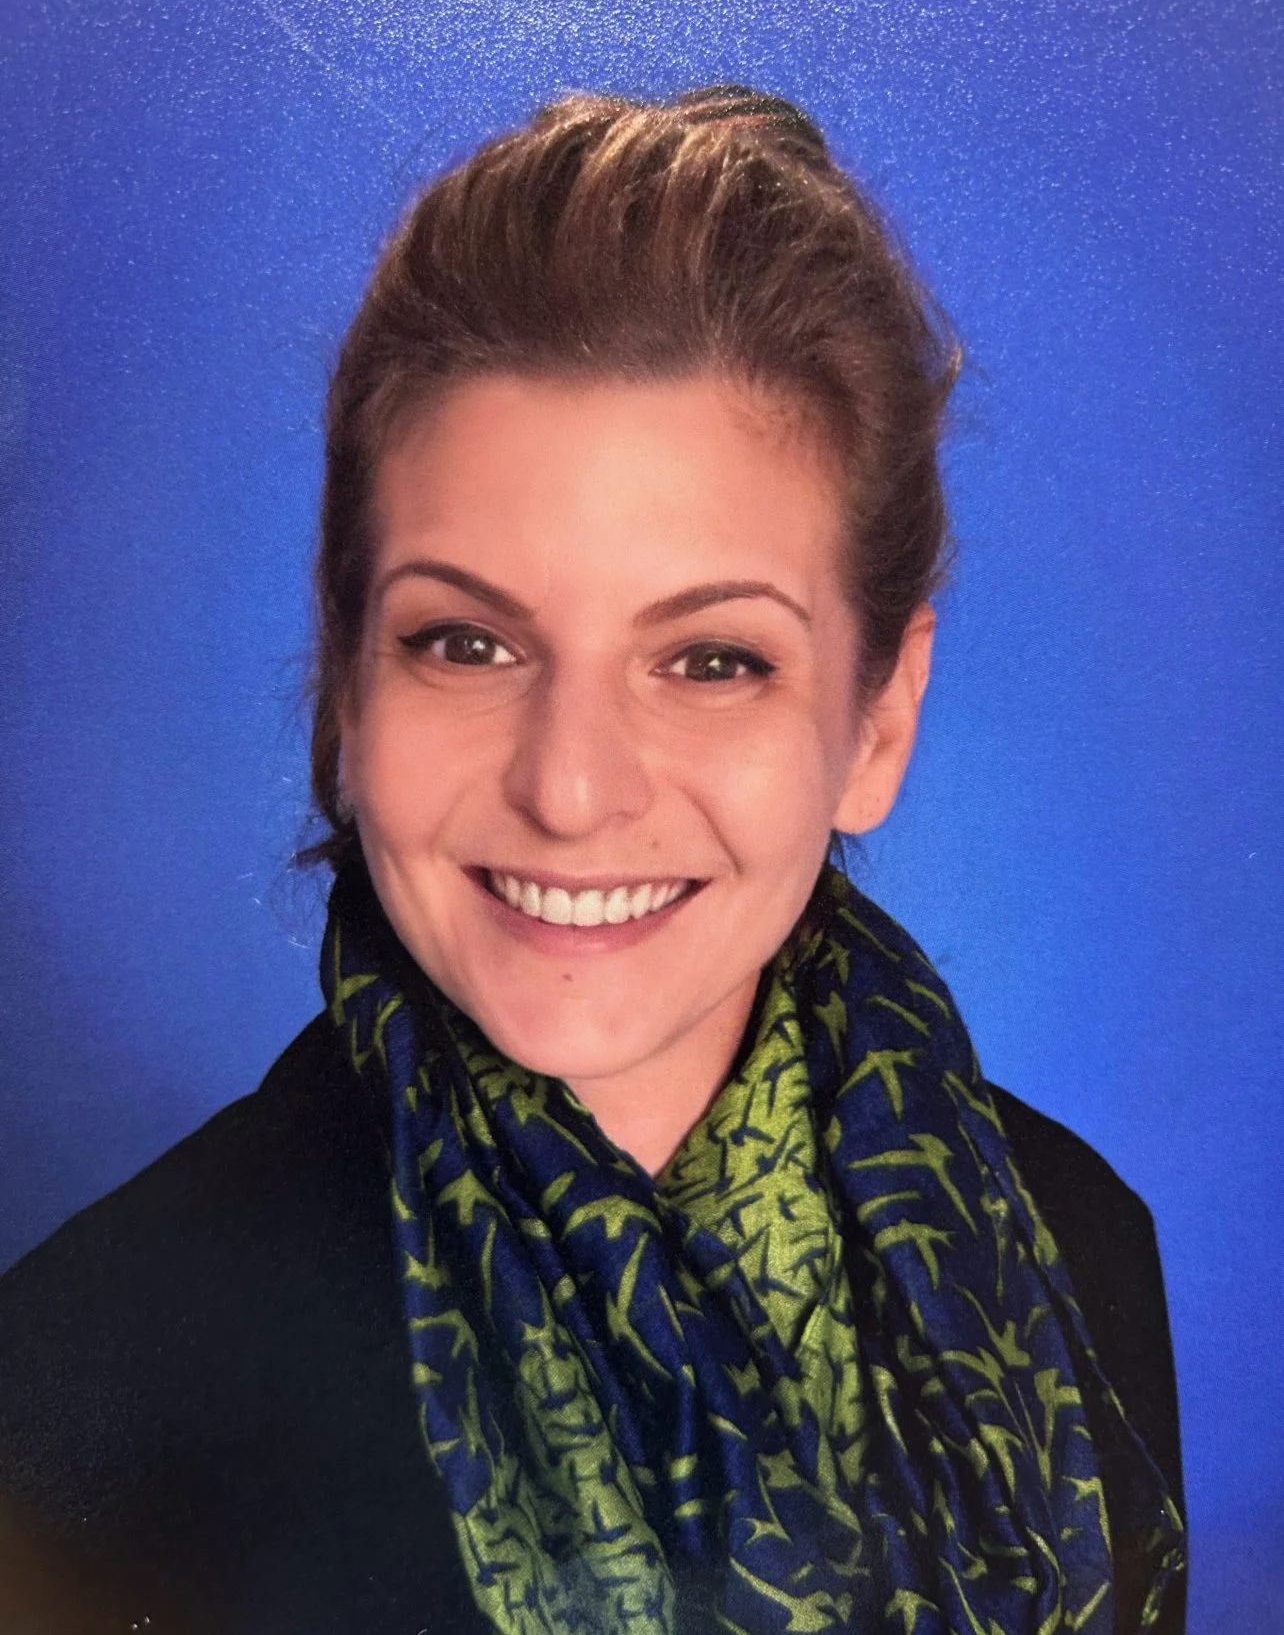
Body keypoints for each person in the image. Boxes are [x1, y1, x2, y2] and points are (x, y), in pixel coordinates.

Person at [0, 87, 1185, 1634]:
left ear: (880, 716)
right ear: (350, 680)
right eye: (467, 640)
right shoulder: (86, 1388)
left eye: (711, 660)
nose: (569, 787)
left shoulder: (1082, 1246)